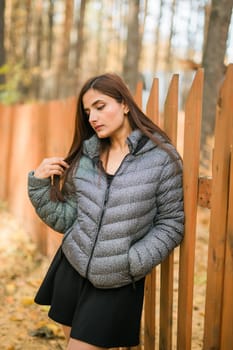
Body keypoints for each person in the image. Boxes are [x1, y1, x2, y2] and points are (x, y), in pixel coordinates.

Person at [28, 72, 184, 350]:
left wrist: (131, 262)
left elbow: (171, 223)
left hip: (116, 280)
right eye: (88, 111)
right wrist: (39, 187)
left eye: (100, 107)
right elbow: (69, 218)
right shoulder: (87, 156)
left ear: (124, 104)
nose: (92, 118)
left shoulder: (162, 158)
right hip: (72, 267)